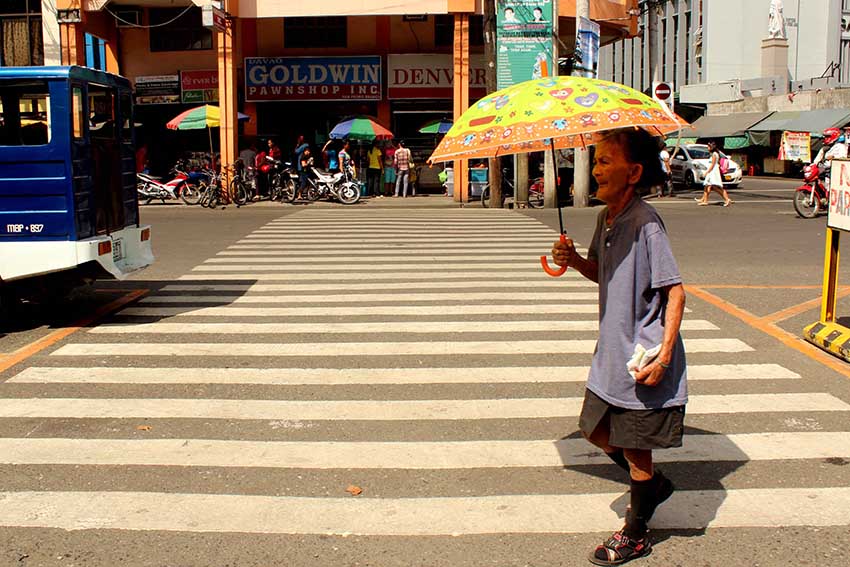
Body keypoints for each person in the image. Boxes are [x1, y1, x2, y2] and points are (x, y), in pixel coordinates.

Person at [551, 127, 687, 566]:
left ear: (634, 173)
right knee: (593, 428)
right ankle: (654, 489)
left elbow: (676, 292)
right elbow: (602, 273)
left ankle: (636, 532)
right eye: (596, 160)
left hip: (641, 356)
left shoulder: (646, 223)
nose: (596, 169)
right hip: (610, 350)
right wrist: (574, 262)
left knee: (635, 448)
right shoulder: (604, 217)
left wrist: (664, 357)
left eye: (605, 160)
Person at [695, 141, 732, 207]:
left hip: (713, 172)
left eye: (709, 146)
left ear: (712, 147)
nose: (707, 148)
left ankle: (727, 199)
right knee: (707, 185)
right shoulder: (713, 154)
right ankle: (704, 200)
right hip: (712, 171)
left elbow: (712, 165)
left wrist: (707, 172)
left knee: (715, 187)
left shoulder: (714, 154)